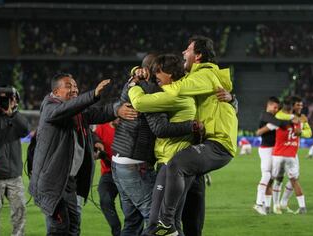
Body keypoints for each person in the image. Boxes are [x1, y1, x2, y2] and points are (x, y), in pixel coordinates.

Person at [129, 35, 238, 235]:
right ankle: (168, 224)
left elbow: (174, 90)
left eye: (187, 49)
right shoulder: (196, 78)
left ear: (198, 55)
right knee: (193, 223)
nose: (183, 53)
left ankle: (167, 223)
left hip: (214, 144)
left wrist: (135, 86)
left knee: (176, 166)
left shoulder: (203, 75)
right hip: (200, 149)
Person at [29, 73, 136, 235]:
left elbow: (99, 113)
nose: (74, 89)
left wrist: (117, 110)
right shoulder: (50, 107)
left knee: (73, 227)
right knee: (59, 229)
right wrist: (92, 95)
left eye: (75, 86)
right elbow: (64, 110)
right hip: (52, 183)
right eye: (68, 86)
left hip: (69, 182)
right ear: (56, 92)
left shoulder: (76, 112)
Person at [111, 54, 199, 236]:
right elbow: (160, 127)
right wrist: (191, 126)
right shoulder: (150, 91)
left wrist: (133, 77)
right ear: (151, 73)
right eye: (157, 70)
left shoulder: (133, 83)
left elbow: (123, 98)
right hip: (135, 162)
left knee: (132, 223)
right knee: (159, 221)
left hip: (120, 159)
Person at [257, 96, 308, 215]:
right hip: (291, 155)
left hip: (278, 154)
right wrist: (301, 124)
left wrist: (260, 131)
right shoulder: (299, 121)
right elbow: (306, 131)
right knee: (294, 180)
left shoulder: (279, 120)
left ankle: (269, 206)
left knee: (274, 180)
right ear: (293, 107)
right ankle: (301, 207)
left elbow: (261, 131)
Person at [0, 88, 29, 236]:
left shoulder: (16, 117)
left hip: (14, 175)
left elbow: (25, 130)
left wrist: (12, 113)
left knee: (20, 213)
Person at [253, 96, 293, 215]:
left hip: (274, 150)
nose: (276, 109)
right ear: (269, 105)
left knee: (270, 178)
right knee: (266, 175)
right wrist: (291, 119)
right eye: (274, 107)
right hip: (266, 150)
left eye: (277, 108)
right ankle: (259, 203)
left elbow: (277, 124)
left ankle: (266, 206)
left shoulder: (272, 117)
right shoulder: (265, 115)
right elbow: (278, 123)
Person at [94, 120, 122, 236]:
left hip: (129, 173)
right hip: (108, 173)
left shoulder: (129, 127)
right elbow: (93, 140)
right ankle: (117, 230)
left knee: (130, 208)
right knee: (105, 200)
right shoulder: (101, 128)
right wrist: (96, 151)